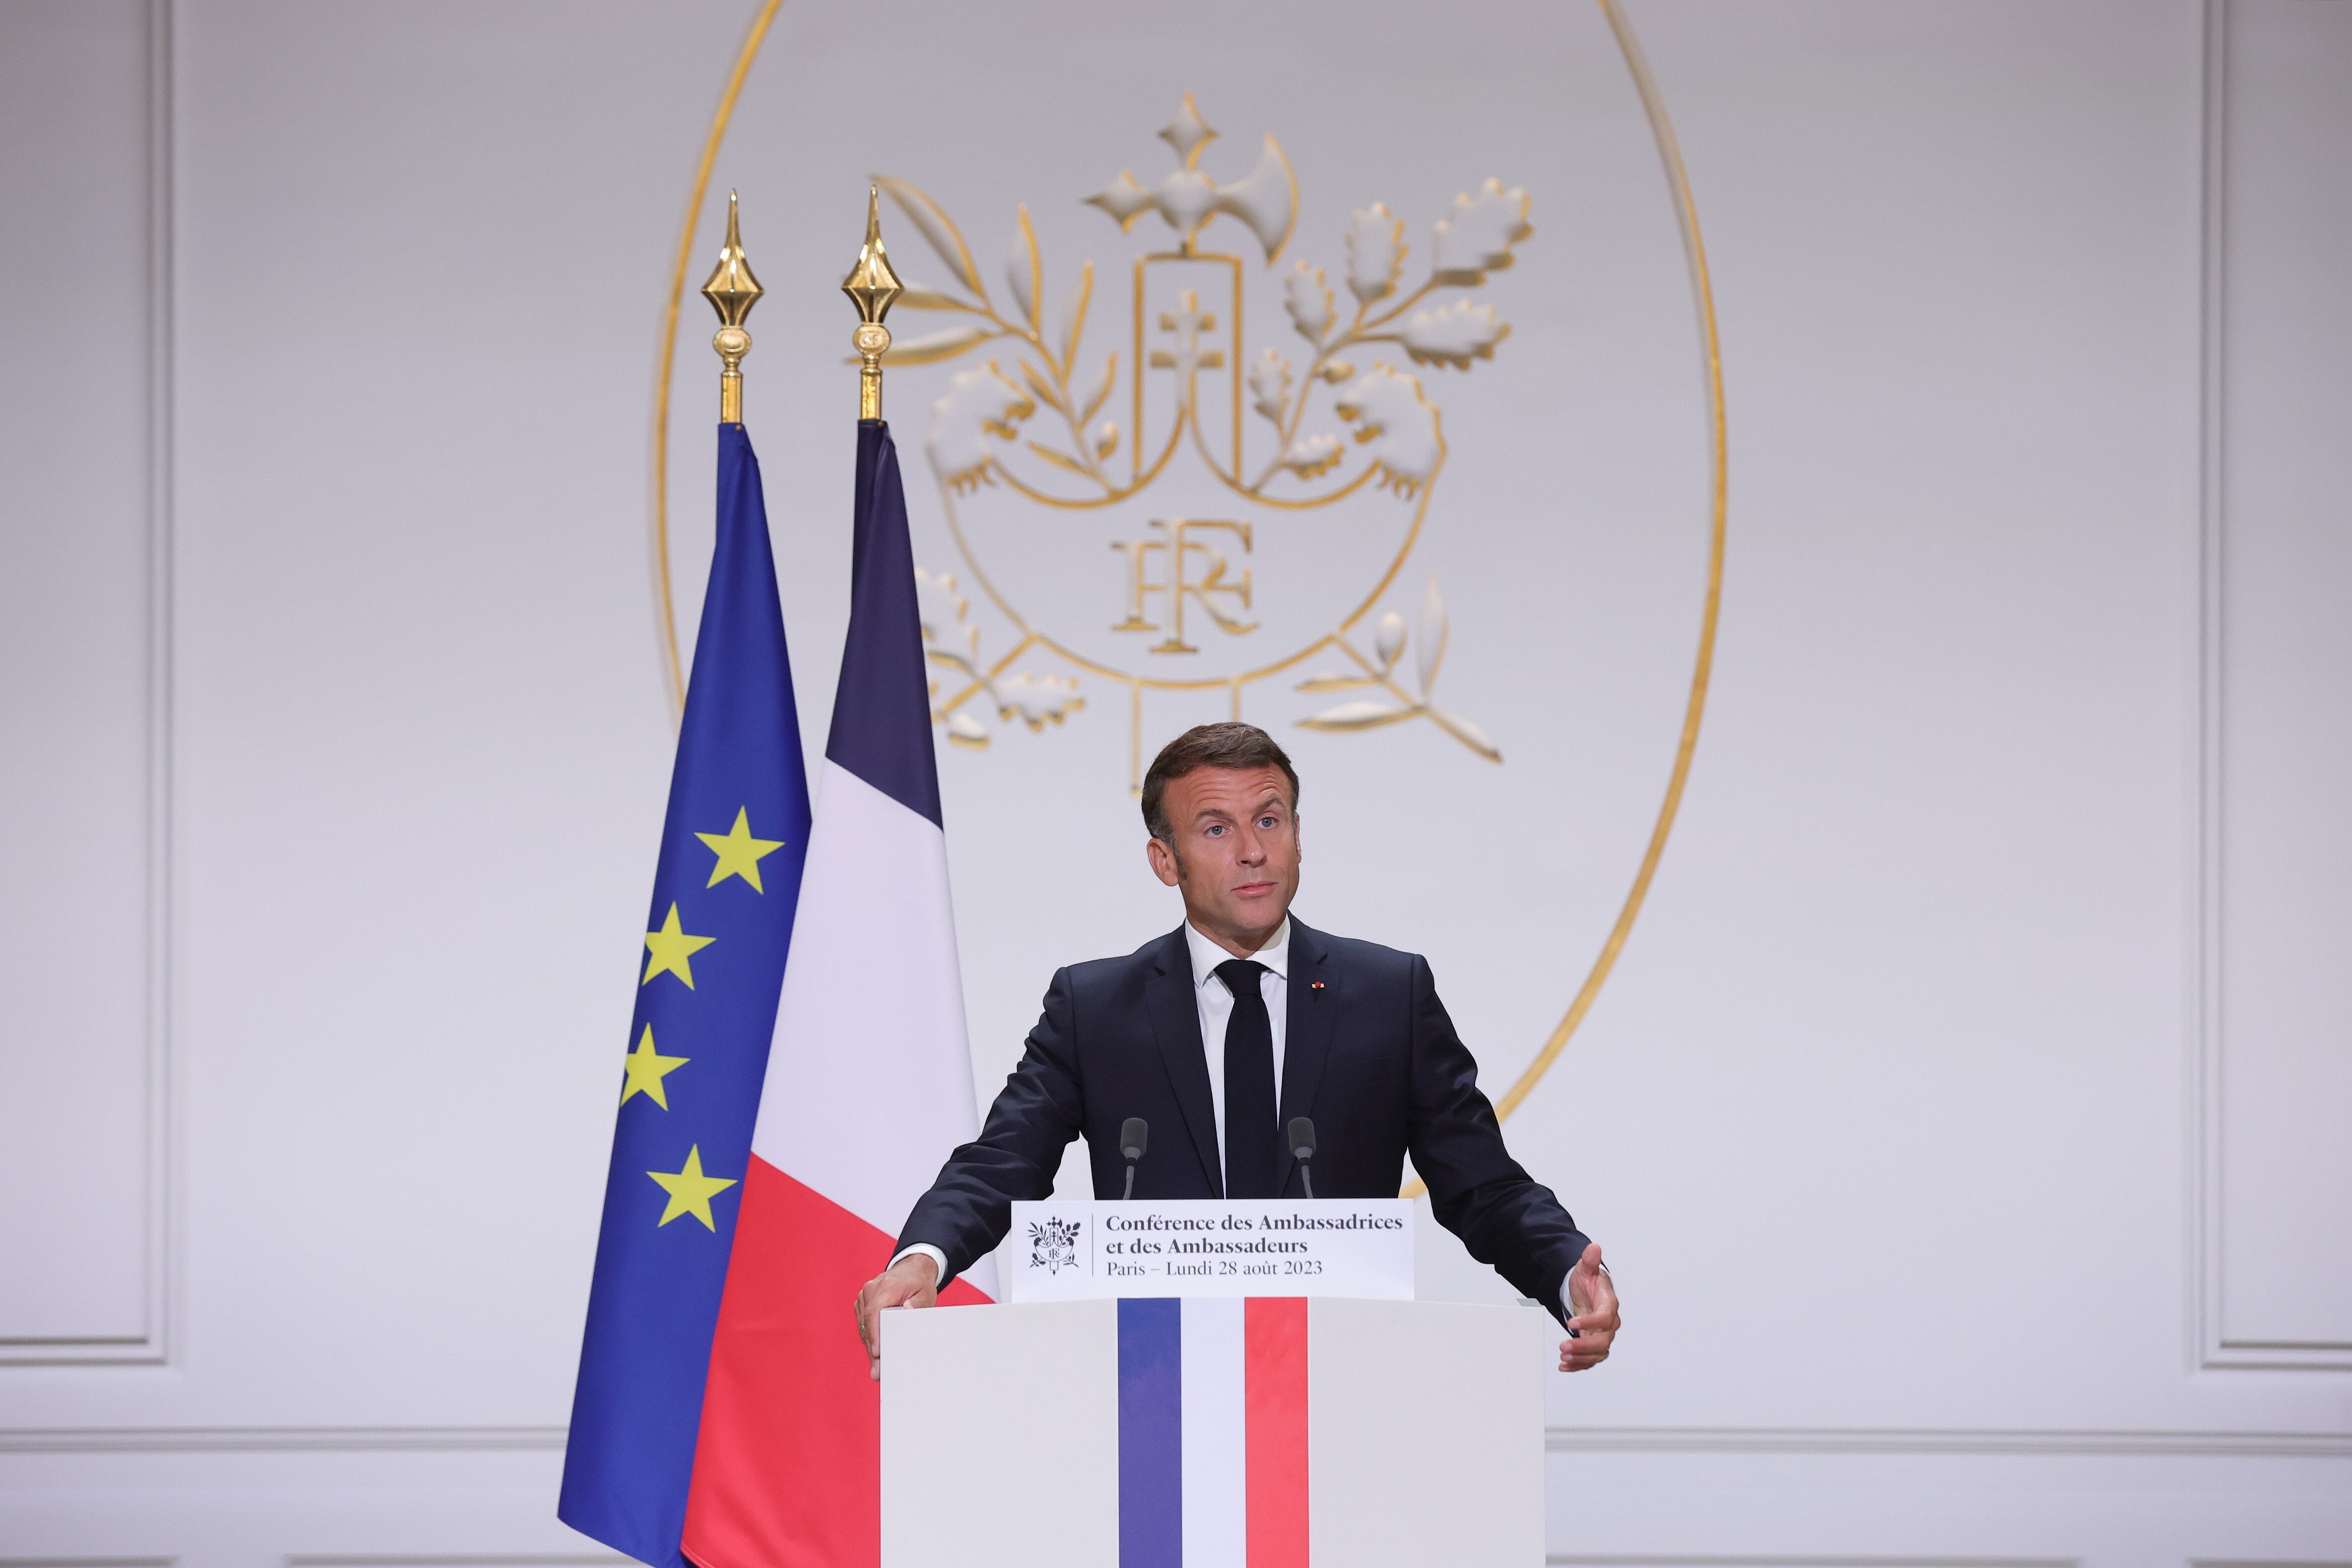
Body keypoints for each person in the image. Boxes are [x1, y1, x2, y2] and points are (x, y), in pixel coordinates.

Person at [853, 722, 1620, 1376]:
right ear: (1165, 860)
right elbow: (1003, 1160)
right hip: (1150, 1381)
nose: (1253, 850)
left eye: (1271, 819)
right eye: (1217, 828)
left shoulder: (1390, 994)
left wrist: (1565, 1270)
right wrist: (923, 1257)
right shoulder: (1096, 1008)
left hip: (1339, 1383)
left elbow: (1482, 1185)